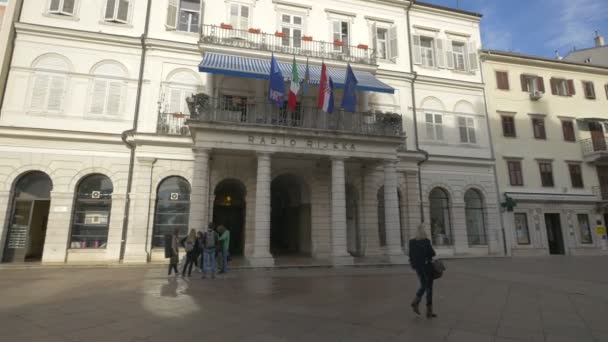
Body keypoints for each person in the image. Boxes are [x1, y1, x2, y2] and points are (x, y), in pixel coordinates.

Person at [409, 224, 437, 319]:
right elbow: (432, 253)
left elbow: (411, 255)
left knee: (424, 285)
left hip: (418, 267)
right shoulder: (426, 241)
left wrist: (414, 265)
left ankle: (416, 302)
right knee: (428, 288)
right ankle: (428, 310)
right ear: (424, 232)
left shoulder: (411, 242)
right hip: (427, 267)